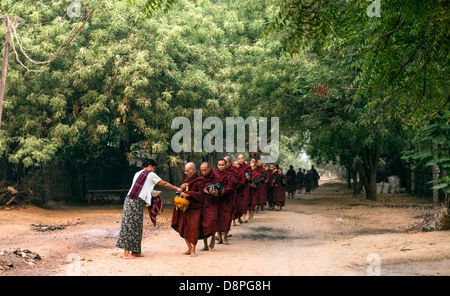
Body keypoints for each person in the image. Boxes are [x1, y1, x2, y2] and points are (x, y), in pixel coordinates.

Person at [116, 158, 181, 259]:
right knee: (131, 226)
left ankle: (135, 251)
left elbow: (143, 188)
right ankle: (126, 253)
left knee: (136, 225)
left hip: (130, 200)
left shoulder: (138, 173)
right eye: (153, 168)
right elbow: (164, 184)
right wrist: (177, 188)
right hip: (135, 201)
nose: (153, 170)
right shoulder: (150, 174)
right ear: (150, 166)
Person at [171, 162, 206, 257]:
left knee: (194, 228)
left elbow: (200, 194)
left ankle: (194, 250)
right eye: (185, 171)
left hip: (195, 208)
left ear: (194, 170)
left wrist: (189, 193)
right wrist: (182, 188)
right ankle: (189, 248)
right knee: (184, 227)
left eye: (188, 170)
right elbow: (183, 191)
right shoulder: (187, 179)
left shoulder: (200, 180)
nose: (187, 172)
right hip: (186, 207)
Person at [199, 162, 220, 251]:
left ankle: (212, 238)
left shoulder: (216, 177)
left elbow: (220, 189)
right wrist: (202, 191)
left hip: (213, 202)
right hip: (203, 202)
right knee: (203, 223)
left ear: (210, 168)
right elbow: (196, 189)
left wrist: (216, 192)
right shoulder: (199, 178)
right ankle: (205, 245)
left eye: (205, 170)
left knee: (212, 220)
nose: (203, 172)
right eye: (202, 170)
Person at [214, 158, 236, 245]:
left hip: (227, 199)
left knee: (227, 218)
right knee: (218, 218)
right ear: (217, 165)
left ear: (226, 165)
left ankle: (225, 237)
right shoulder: (214, 174)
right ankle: (219, 238)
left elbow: (231, 186)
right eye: (219, 165)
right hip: (217, 199)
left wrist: (224, 191)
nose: (221, 166)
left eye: (223, 165)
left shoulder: (230, 175)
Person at [236, 154, 251, 223]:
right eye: (239, 159)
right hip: (238, 187)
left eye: (242, 158)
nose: (240, 160)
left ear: (244, 159)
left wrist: (247, 177)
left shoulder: (247, 167)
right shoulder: (236, 167)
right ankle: (239, 216)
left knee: (245, 201)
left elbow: (249, 177)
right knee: (239, 202)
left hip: (245, 187)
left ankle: (243, 216)